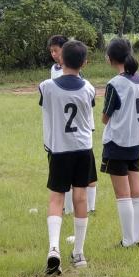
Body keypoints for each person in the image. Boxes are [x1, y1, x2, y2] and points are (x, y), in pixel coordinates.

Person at [39, 40, 96, 274]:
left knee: (56, 198)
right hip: (83, 148)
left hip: (59, 149)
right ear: (84, 63)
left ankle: (54, 248)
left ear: (61, 59)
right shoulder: (89, 88)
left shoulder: (47, 86)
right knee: (80, 197)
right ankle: (79, 253)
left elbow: (45, 104)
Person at [101, 38, 139, 248]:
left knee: (123, 194)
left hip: (117, 142)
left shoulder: (115, 84)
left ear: (111, 58)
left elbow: (105, 117)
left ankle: (127, 241)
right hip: (136, 141)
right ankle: (137, 238)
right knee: (137, 190)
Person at [47, 35, 98, 215]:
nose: (54, 54)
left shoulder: (81, 82)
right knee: (73, 180)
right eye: (51, 51)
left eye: (56, 51)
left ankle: (90, 207)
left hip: (79, 130)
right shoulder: (55, 71)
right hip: (64, 130)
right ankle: (69, 209)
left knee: (83, 179)